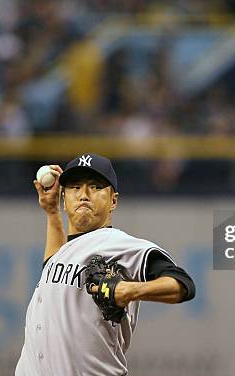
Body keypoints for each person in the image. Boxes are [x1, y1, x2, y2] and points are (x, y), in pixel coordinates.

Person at [15, 153, 196, 376]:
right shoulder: (63, 254)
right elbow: (53, 267)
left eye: (95, 186)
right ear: (64, 199)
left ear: (113, 201)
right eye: (74, 187)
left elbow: (183, 284)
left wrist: (130, 290)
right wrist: (52, 213)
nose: (83, 195)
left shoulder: (121, 245)